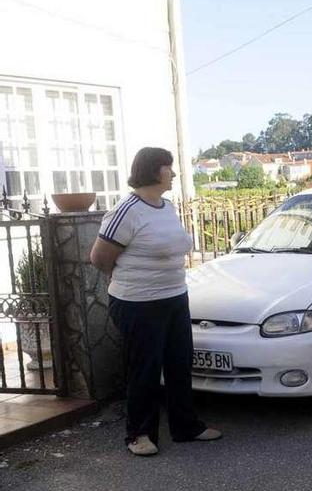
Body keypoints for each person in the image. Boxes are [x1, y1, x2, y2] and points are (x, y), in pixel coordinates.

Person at [90, 147, 221, 456]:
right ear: (153, 170)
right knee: (144, 369)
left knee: (179, 363)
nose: (173, 173)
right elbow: (99, 258)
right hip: (138, 303)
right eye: (168, 168)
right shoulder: (127, 210)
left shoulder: (167, 206)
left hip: (175, 297)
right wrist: (127, 280)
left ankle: (186, 426)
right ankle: (139, 434)